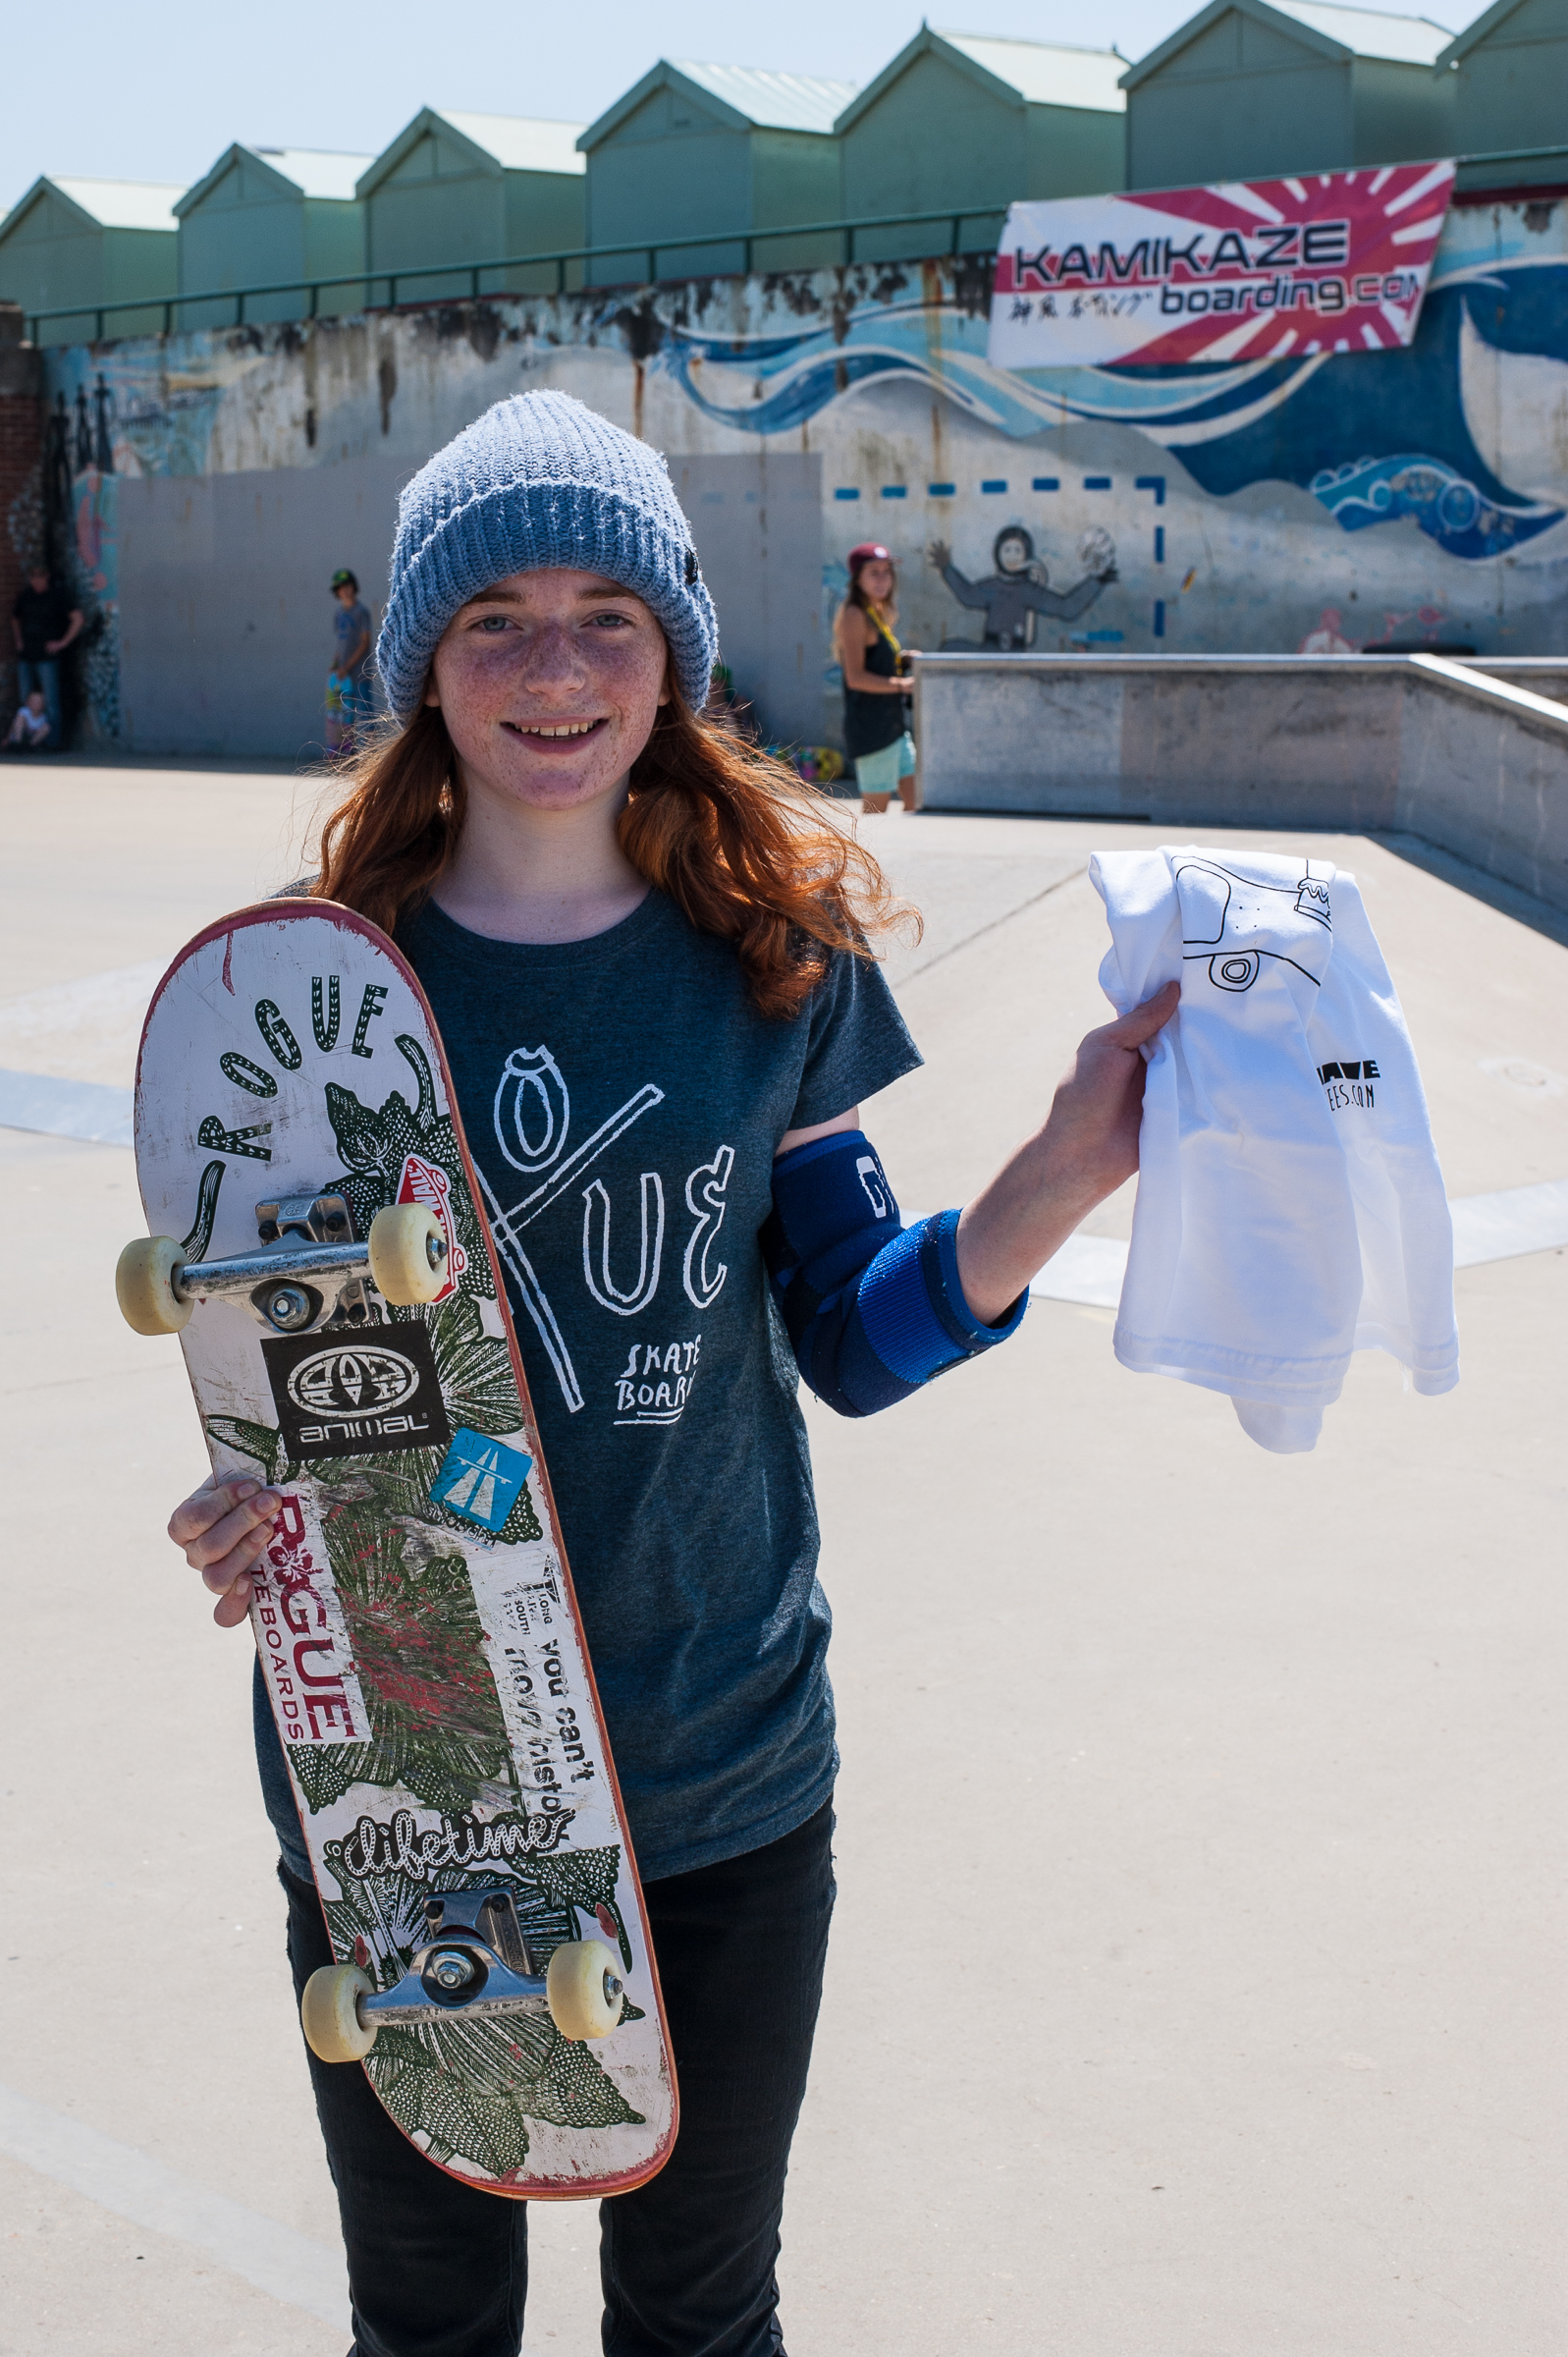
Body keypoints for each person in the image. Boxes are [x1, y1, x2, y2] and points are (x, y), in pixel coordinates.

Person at [162, 391, 1174, 2357]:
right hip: (417, 1793)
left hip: (720, 1773)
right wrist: (250, 1510)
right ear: (424, 662)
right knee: (426, 2325)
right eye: (496, 620)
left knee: (702, 2324)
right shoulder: (317, 985)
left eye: (606, 615)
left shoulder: (767, 950)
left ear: (675, 651)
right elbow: (296, 1378)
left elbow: (850, 1330)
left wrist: (1060, 1169)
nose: (556, 669)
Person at [929, 524, 1116, 650]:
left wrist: (1097, 581)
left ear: (1026, 555)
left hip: (1015, 652)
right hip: (989, 650)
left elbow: (1066, 608)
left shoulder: (1029, 591)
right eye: (1007, 550)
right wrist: (947, 568)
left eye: (1017, 551)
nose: (1011, 556)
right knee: (949, 649)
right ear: (998, 553)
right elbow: (968, 596)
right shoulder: (992, 586)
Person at [833, 541, 918, 814]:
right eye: (874, 573)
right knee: (874, 816)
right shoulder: (854, 615)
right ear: (858, 579)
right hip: (873, 730)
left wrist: (902, 659)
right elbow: (855, 677)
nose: (883, 579)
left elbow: (876, 661)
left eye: (886, 572)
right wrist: (903, 685)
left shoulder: (875, 611)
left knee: (918, 801)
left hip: (894, 727)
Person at [11, 563, 82, 747]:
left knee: (50, 701)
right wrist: (18, 639)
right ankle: (24, 740)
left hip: (47, 657)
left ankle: (51, 742)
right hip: (26, 655)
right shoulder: (26, 596)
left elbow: (78, 618)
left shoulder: (58, 596)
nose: (36, 580)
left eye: (40, 576)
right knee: (25, 700)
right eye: (33, 576)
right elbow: (15, 618)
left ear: (46, 577)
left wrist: (63, 642)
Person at [326, 567, 374, 756]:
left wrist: (347, 667)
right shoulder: (339, 614)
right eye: (340, 588)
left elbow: (364, 642)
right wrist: (335, 663)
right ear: (336, 592)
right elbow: (341, 644)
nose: (344, 591)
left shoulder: (361, 612)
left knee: (365, 713)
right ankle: (349, 754)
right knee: (346, 716)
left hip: (359, 673)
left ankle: (371, 755)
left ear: (354, 587)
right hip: (343, 676)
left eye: (347, 586)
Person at [4, 686, 51, 750]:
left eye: (39, 702)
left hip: (31, 738)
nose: (36, 704)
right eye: (34, 701)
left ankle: (30, 745)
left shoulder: (43, 717)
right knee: (20, 719)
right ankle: (18, 743)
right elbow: (14, 725)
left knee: (46, 727)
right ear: (28, 703)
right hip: (20, 735)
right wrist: (7, 738)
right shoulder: (24, 711)